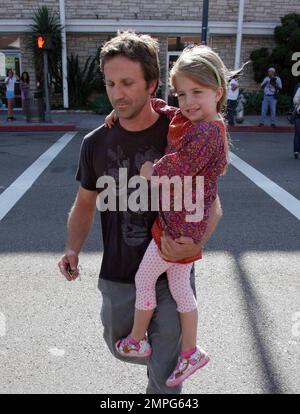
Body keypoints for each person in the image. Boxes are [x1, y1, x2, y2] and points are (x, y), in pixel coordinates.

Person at [58, 32, 223, 394]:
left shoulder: (181, 131)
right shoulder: (96, 143)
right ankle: (154, 353)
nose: (117, 94)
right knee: (119, 342)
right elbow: (85, 202)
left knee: (165, 378)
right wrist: (72, 248)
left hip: (171, 269)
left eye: (128, 83)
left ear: (152, 84)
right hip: (119, 273)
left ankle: (166, 364)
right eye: (111, 83)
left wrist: (195, 245)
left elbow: (212, 202)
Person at [105, 44, 231, 388]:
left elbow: (183, 164)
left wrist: (153, 170)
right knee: (180, 290)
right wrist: (153, 106)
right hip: (187, 222)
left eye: (198, 93)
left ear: (218, 92)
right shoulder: (197, 119)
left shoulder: (206, 131)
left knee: (144, 279)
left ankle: (136, 338)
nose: (188, 102)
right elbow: (172, 112)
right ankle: (190, 352)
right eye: (182, 93)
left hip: (177, 227)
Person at [293, 84, 300, 159]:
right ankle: (296, 151)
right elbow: (294, 99)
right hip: (299, 114)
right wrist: (298, 100)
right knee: (298, 132)